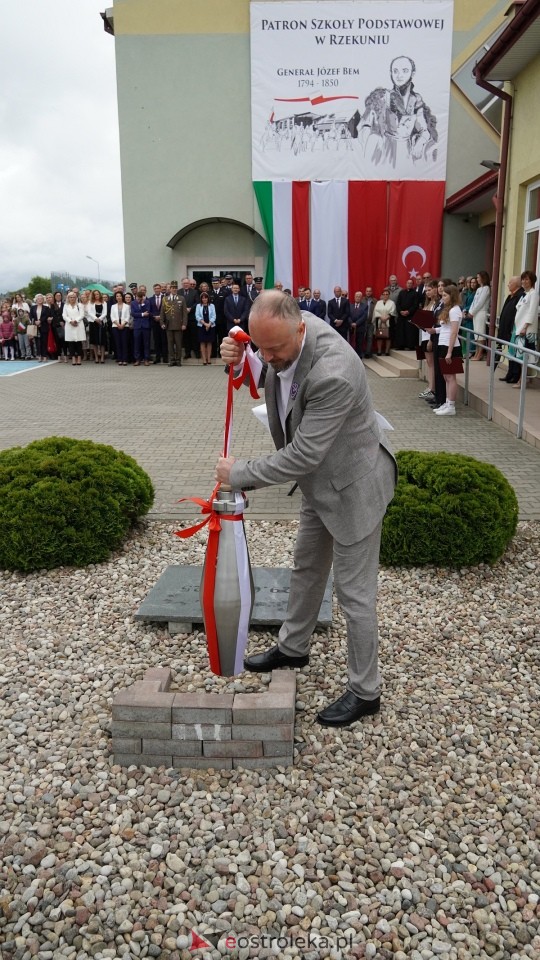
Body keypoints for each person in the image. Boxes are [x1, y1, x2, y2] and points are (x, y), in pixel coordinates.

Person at [216, 291, 396, 727]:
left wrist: (240, 472)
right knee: (307, 567)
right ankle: (293, 648)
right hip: (322, 486)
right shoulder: (286, 335)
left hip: (353, 487)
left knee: (355, 597)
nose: (270, 356)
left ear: (300, 328)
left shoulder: (333, 372)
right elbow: (270, 373)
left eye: (276, 348)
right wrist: (241, 359)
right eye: (262, 346)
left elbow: (303, 456)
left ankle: (365, 691)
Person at [359, 55, 437, 168]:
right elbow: (364, 125)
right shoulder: (383, 96)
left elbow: (424, 130)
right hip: (385, 152)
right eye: (395, 71)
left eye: (405, 71)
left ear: (412, 73)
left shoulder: (416, 100)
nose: (399, 75)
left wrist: (420, 143)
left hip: (406, 153)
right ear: (391, 73)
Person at [432, 284, 462, 416]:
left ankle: (451, 405)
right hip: (443, 344)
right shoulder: (448, 309)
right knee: (446, 376)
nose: (442, 297)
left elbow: (454, 332)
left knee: (450, 376)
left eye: (445, 295)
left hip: (451, 346)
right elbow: (445, 329)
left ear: (452, 296)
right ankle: (447, 401)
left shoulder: (455, 310)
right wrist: (433, 330)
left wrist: (449, 352)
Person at [508, 269, 539, 389]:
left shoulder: (533, 294)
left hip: (526, 330)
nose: (524, 281)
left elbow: (531, 312)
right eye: (523, 279)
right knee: (518, 356)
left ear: (532, 281)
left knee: (524, 356)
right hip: (518, 328)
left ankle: (523, 380)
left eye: (527, 279)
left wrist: (525, 327)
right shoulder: (524, 295)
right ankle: (521, 379)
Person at [498, 277, 524, 380]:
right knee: (510, 352)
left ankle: (515, 375)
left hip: (513, 329)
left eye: (510, 283)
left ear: (517, 284)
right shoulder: (511, 295)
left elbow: (516, 313)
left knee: (515, 352)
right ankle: (510, 374)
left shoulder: (520, 295)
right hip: (507, 329)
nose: (508, 284)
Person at [160, 281, 187, 365]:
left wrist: (184, 324)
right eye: (173, 288)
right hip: (168, 325)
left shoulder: (181, 298)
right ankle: (171, 360)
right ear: (170, 289)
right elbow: (162, 313)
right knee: (170, 344)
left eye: (175, 288)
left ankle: (178, 360)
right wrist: (162, 323)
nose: (174, 289)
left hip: (178, 325)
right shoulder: (165, 299)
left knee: (179, 344)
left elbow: (184, 313)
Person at [469, 270, 491, 360]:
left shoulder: (486, 288)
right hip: (475, 313)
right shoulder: (478, 289)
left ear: (483, 278)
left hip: (481, 312)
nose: (477, 279)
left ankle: (480, 353)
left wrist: (472, 312)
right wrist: (471, 311)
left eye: (478, 277)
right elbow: (474, 302)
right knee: (476, 335)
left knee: (480, 334)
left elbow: (481, 302)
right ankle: (476, 353)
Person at [62, 291, 86, 365]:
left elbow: (82, 315)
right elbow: (64, 315)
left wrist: (76, 321)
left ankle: (79, 358)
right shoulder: (66, 306)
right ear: (68, 298)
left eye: (74, 297)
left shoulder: (80, 305)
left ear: (76, 298)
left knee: (79, 342)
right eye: (70, 297)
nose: (72, 298)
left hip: (78, 325)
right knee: (71, 343)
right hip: (69, 326)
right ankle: (73, 358)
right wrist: (70, 321)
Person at [372, 288, 397, 356]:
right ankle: (379, 351)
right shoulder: (378, 302)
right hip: (379, 321)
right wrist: (381, 318)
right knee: (379, 336)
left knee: (388, 336)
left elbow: (393, 311)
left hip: (389, 321)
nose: (385, 295)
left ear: (389, 295)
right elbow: (376, 311)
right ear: (382, 295)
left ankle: (386, 351)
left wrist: (386, 318)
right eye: (384, 294)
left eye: (387, 294)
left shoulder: (392, 303)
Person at [110, 290, 131, 366]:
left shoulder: (127, 306)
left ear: (122, 297)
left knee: (124, 343)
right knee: (118, 343)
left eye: (120, 296)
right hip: (115, 326)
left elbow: (128, 316)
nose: (118, 297)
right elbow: (112, 316)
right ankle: (120, 359)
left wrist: (123, 324)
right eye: (117, 296)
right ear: (115, 297)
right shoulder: (113, 306)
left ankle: (125, 359)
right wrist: (117, 324)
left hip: (125, 326)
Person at [131, 289, 152, 366]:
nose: (139, 299)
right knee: (137, 343)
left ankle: (146, 359)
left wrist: (142, 304)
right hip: (137, 326)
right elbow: (133, 314)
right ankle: (137, 359)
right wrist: (142, 314)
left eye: (140, 297)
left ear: (143, 297)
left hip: (145, 326)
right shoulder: (133, 303)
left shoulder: (147, 302)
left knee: (146, 343)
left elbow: (148, 312)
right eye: (137, 297)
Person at [195, 292, 216, 364]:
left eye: (205, 298)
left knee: (209, 342)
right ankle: (204, 359)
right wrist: (205, 324)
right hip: (201, 325)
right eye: (203, 298)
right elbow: (197, 316)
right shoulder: (198, 306)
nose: (204, 299)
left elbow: (214, 316)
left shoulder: (212, 305)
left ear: (208, 298)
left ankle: (209, 358)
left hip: (211, 325)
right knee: (202, 342)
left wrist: (209, 324)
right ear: (201, 299)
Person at [88, 290, 108, 364]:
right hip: (93, 323)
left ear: (100, 295)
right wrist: (95, 319)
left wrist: (99, 319)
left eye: (97, 294)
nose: (96, 295)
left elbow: (105, 313)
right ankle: (96, 357)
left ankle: (102, 357)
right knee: (94, 341)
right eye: (95, 294)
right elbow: (89, 312)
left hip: (102, 322)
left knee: (102, 341)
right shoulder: (90, 303)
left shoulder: (104, 303)